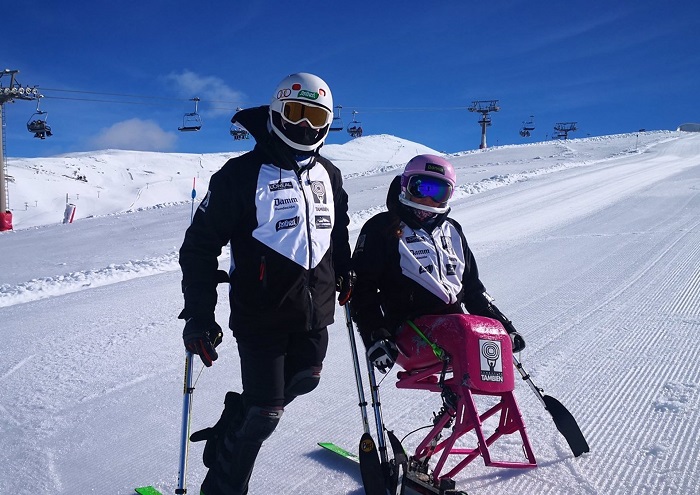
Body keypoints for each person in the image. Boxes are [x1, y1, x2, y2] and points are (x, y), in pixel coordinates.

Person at [178, 72, 353, 495]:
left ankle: (235, 420)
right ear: (277, 113)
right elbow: (199, 247)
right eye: (296, 113)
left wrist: (345, 272)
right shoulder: (239, 175)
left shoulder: (329, 173)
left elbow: (338, 229)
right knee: (266, 413)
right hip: (261, 313)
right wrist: (201, 314)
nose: (305, 127)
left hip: (315, 310)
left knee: (307, 377)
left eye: (316, 117)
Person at [350, 154, 525, 374]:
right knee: (467, 333)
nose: (428, 200)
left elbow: (471, 288)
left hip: (455, 327)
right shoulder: (382, 227)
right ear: (406, 185)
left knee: (489, 341)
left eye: (439, 192)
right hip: (408, 332)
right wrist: (375, 335)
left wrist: (502, 326)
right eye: (421, 188)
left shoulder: (452, 230)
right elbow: (361, 288)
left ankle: (493, 407)